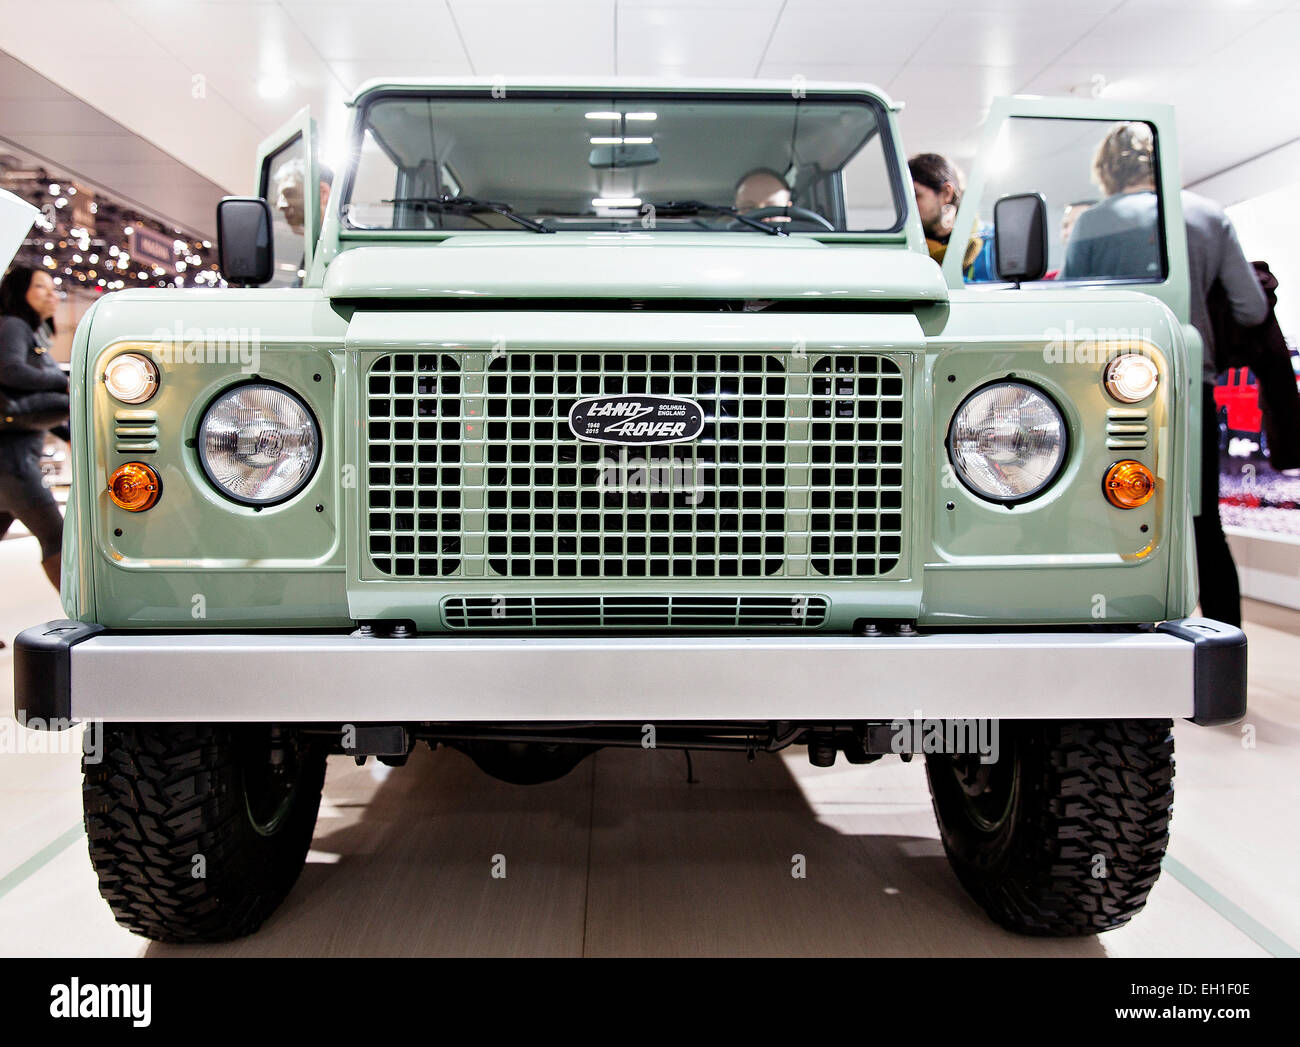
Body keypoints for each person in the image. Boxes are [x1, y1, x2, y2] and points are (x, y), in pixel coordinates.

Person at [1183, 188, 1268, 626]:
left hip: (1106, 383)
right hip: (1191, 382)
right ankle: (1224, 667)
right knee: (1204, 529)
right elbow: (1251, 308)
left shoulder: (1094, 221)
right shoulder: (1205, 215)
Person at [0, 265, 68, 608]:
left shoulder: (29, 332)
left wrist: (70, 433)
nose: (52, 295)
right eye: (42, 287)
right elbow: (10, 371)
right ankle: (82, 614)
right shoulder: (13, 324)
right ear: (20, 290)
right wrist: (64, 384)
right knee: (56, 537)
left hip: (11, 458)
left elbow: (34, 409)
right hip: (13, 462)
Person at [1061, 124, 1160, 280]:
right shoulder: (1204, 213)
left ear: (1106, 167)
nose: (1066, 232)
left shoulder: (1092, 221)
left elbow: (1068, 296)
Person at [908, 153, 995, 281]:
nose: (910, 205)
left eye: (916, 195)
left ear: (946, 193)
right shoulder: (910, 250)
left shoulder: (992, 242)